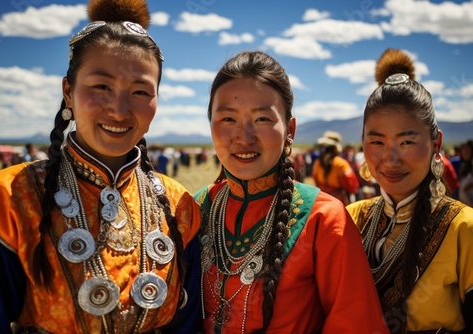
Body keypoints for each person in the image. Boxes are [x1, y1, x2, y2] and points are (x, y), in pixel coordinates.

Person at [0, 0, 202, 333]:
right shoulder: (2, 200)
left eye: (140, 92)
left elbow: (189, 324)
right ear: (68, 92)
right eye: (101, 87)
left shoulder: (180, 206)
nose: (120, 110)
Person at [194, 50, 389, 333]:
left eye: (261, 119)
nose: (243, 136)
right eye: (227, 119)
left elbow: (356, 323)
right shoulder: (196, 208)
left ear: (290, 130)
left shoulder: (324, 218)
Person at [346, 48, 473, 333]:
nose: (390, 159)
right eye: (377, 143)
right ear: (362, 143)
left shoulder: (464, 229)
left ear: (436, 143)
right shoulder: (348, 220)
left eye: (406, 142)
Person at [311, 131, 360, 205]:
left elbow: (315, 179)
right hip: (337, 200)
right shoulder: (341, 163)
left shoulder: (317, 163)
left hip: (321, 198)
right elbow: (351, 185)